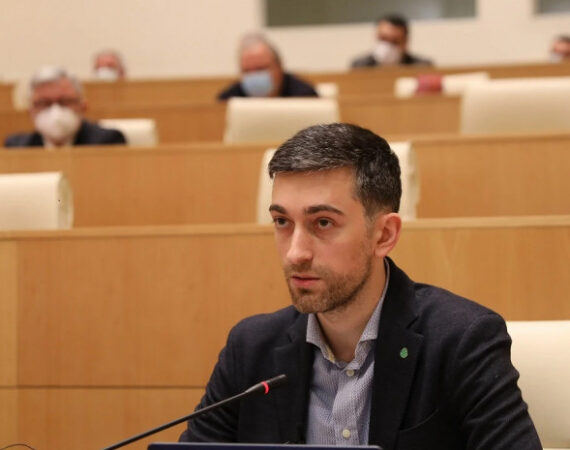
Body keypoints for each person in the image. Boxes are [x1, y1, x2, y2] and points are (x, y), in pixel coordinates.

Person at [179, 123, 541, 449]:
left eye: (323, 223)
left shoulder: (461, 341)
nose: (295, 253)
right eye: (282, 221)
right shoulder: (250, 349)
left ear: (384, 235)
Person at [4, 66, 126, 148]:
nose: (55, 111)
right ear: (30, 110)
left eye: (64, 102)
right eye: (44, 103)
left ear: (83, 106)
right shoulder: (17, 147)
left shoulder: (107, 142)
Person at [218, 33, 318, 100]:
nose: (253, 76)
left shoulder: (305, 96)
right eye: (247, 71)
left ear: (279, 67)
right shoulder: (229, 100)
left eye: (260, 69)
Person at [351, 14, 432, 68]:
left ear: (405, 42)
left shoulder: (421, 67)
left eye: (394, 41)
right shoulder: (360, 67)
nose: (387, 46)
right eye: (383, 39)